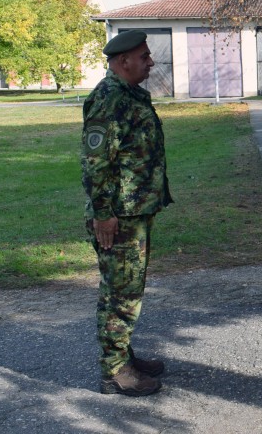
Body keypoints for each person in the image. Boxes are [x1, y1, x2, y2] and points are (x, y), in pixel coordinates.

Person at [81, 29, 172, 396]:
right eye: (145, 56)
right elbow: (95, 164)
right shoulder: (108, 99)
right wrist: (104, 214)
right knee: (121, 294)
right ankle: (115, 372)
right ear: (123, 61)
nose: (151, 61)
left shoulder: (129, 94)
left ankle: (123, 356)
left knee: (126, 290)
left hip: (134, 211)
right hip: (118, 217)